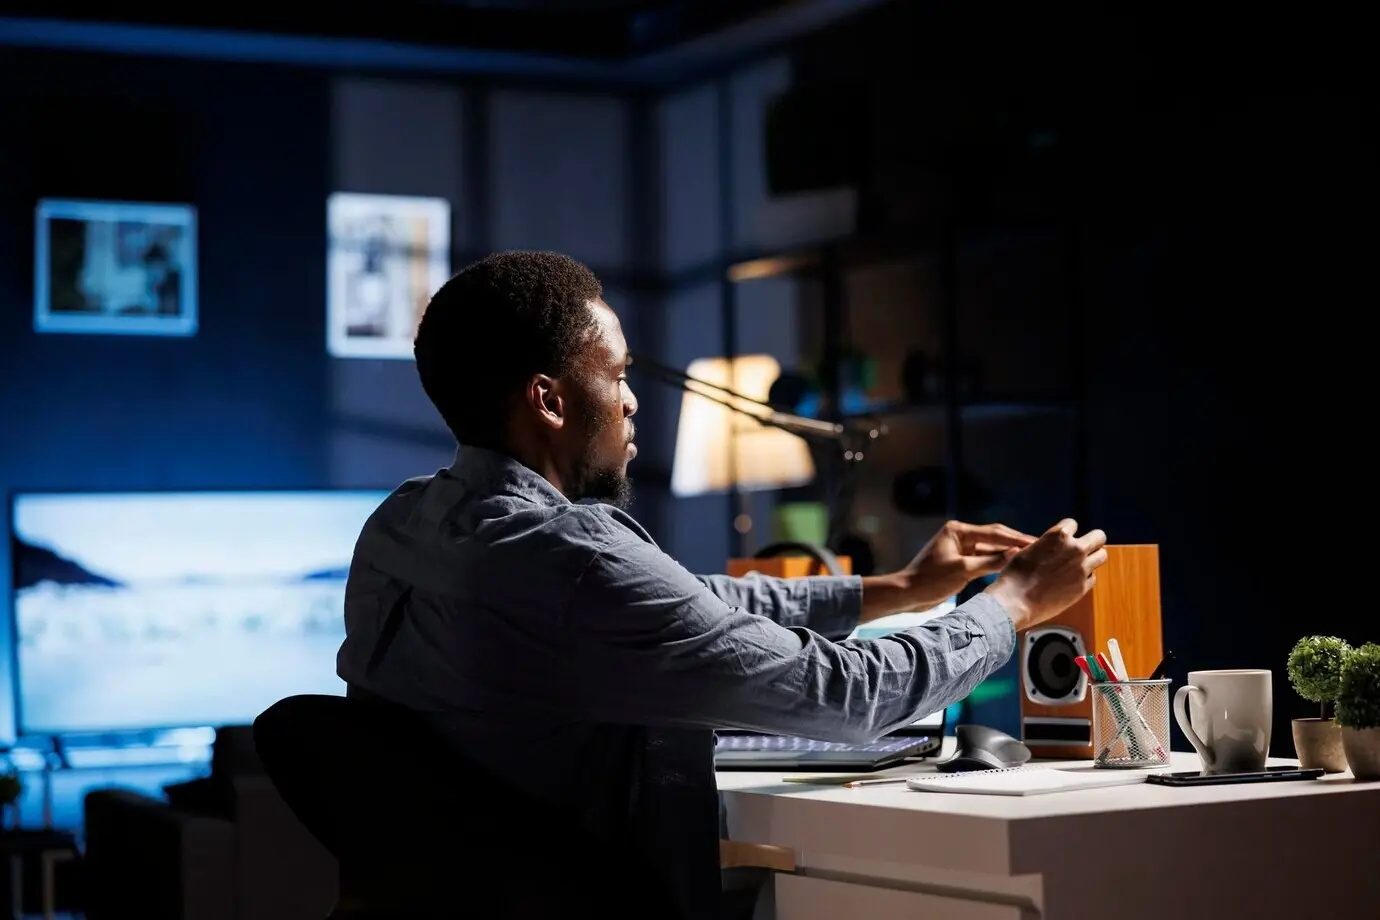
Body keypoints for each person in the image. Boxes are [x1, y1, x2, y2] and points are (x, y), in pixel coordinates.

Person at [336, 250, 1107, 918]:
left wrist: (897, 589)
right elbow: (850, 697)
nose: (632, 400)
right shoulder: (573, 559)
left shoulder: (403, 523)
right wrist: (1011, 606)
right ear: (549, 399)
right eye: (618, 374)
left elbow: (693, 599)